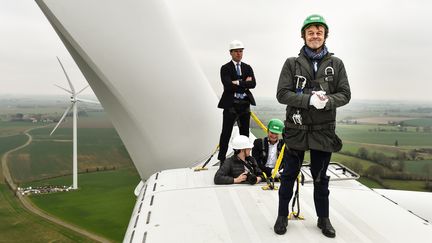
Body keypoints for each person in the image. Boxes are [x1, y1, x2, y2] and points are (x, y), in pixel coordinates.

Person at [274, 14, 351, 238]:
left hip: (322, 132)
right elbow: (282, 94)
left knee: (320, 178)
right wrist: (308, 100)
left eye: (319, 32)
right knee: (288, 176)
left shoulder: (336, 65)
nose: (315, 36)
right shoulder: (292, 63)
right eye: (311, 32)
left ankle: (323, 219)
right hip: (296, 130)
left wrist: (327, 101)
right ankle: (281, 216)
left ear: (325, 35)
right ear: (304, 36)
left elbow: (345, 94)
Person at [217, 40, 256, 165]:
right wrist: (245, 83)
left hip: (244, 104)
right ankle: (222, 159)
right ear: (231, 53)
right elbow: (228, 86)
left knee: (244, 133)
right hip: (231, 105)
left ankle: (242, 158)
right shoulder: (225, 68)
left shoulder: (247, 67)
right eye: (236, 51)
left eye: (241, 51)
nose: (239, 54)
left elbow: (253, 84)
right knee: (226, 133)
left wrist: (237, 82)